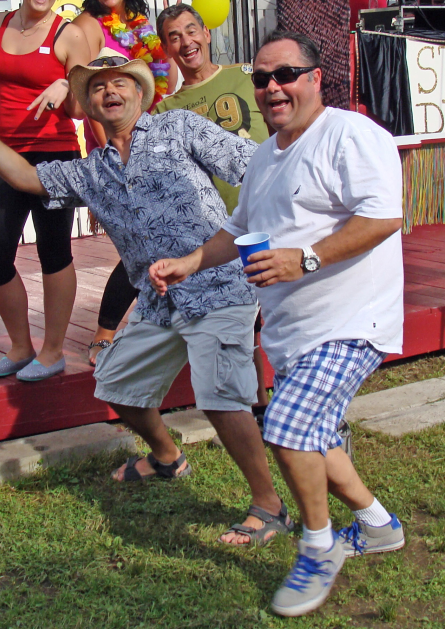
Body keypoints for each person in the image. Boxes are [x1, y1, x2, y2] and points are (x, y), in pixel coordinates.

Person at [0, 50, 293, 547]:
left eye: (120, 82)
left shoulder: (179, 127)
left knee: (221, 397)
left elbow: (253, 166)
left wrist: (276, 235)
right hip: (158, 301)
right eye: (98, 86)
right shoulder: (91, 172)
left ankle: (269, 505)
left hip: (218, 285)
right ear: (89, 105)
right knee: (115, 383)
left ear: (140, 92)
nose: (109, 91)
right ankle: (168, 458)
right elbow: (26, 178)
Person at [149, 30, 405, 616]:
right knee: (318, 439)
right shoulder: (266, 155)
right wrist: (191, 261)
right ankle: (378, 525)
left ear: (315, 78)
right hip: (294, 330)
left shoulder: (350, 134)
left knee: (289, 429)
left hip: (351, 320)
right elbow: (241, 229)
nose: (272, 88)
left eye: (285, 74)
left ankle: (318, 546)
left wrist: (305, 258)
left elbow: (384, 217)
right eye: (262, 78)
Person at [0, 0, 90, 382]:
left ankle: (53, 351)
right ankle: (20, 346)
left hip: (54, 156)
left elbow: (82, 107)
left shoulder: (68, 35)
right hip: (5, 155)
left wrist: (66, 84)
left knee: (53, 251)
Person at [154, 2, 271, 413]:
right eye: (174, 37)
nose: (185, 42)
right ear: (167, 49)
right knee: (244, 320)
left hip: (271, 211)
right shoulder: (165, 111)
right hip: (221, 233)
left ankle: (292, 397)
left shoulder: (247, 76)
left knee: (287, 306)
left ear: (206, 33)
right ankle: (258, 405)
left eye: (191, 31)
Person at [73, 0, 176, 365]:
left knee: (162, 236)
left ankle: (161, 321)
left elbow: (162, 81)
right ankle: (103, 334)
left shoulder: (139, 22)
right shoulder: (88, 26)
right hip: (117, 145)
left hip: (151, 140)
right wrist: (112, 157)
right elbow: (88, 97)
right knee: (140, 243)